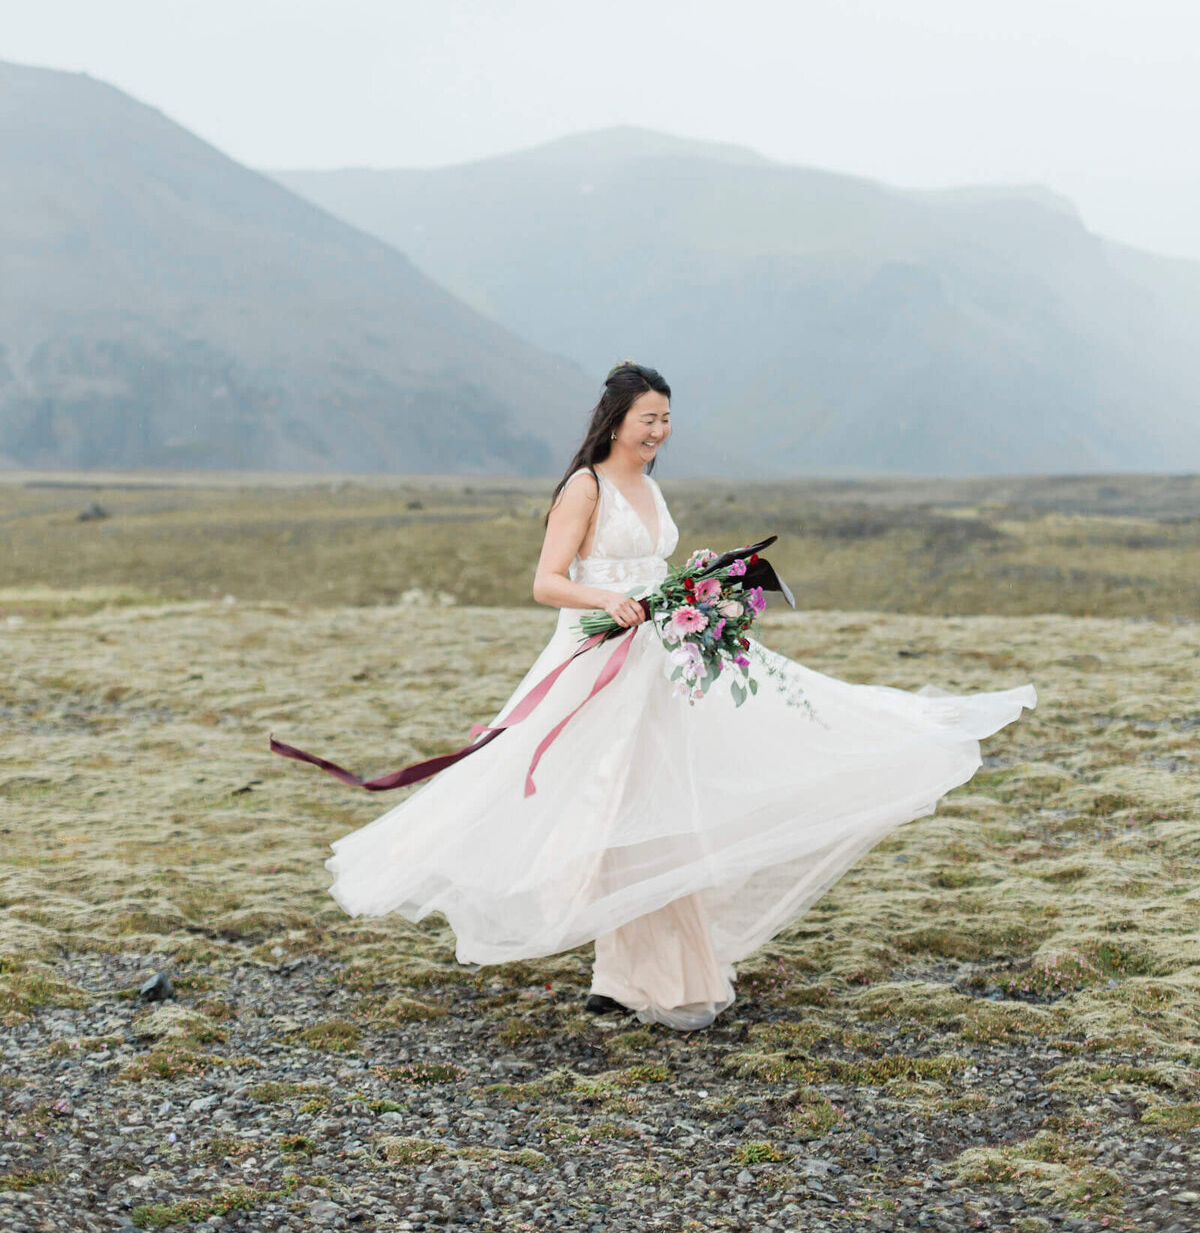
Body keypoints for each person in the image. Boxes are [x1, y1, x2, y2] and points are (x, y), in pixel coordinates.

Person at [324, 362, 1036, 1031]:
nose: (658, 431)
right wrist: (608, 596)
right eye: (647, 419)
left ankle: (628, 970)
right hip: (599, 654)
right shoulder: (586, 487)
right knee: (606, 797)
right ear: (614, 420)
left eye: (666, 419)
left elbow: (652, 561)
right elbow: (546, 581)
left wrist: (691, 594)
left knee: (656, 797)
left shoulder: (650, 484)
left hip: (660, 656)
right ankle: (638, 969)